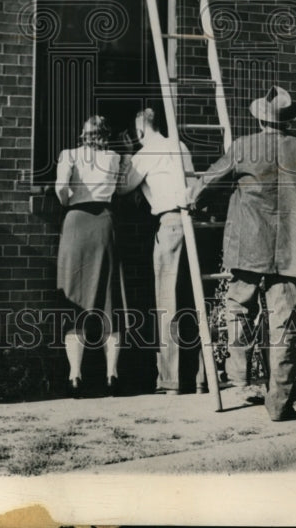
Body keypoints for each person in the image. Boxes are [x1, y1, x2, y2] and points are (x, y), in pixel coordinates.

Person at [189, 86, 296, 421]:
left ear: (260, 117)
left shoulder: (243, 147)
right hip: (291, 251)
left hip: (247, 249)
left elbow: (207, 182)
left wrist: (192, 201)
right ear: (288, 120)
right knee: (284, 324)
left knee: (236, 307)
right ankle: (279, 405)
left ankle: (240, 377)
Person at [117, 107, 195, 394]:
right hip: (191, 223)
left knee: (168, 300)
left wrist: (127, 154)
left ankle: (171, 380)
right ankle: (196, 377)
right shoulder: (179, 145)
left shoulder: (145, 153)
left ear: (139, 131)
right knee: (191, 299)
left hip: (169, 223)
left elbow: (123, 188)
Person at [55, 115, 127, 395]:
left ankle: (75, 375)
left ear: (83, 134)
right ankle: (112, 375)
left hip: (76, 222)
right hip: (104, 224)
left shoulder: (69, 154)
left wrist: (68, 200)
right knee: (110, 300)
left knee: (75, 297)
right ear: (105, 134)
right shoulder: (115, 158)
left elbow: (61, 188)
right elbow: (122, 189)